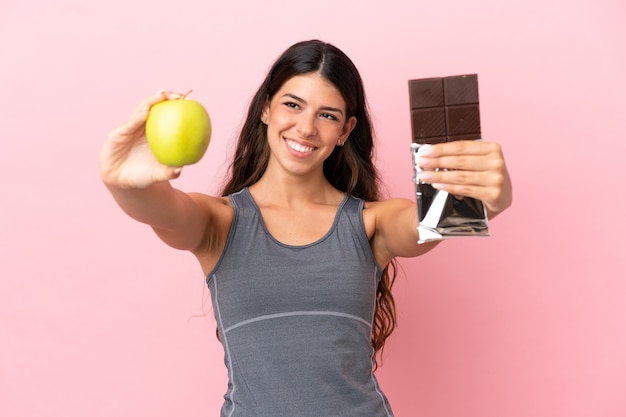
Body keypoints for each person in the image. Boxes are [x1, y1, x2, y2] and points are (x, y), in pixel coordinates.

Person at [99, 39, 512, 417]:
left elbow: (432, 222)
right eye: (292, 105)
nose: (306, 128)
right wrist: (122, 179)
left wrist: (482, 199)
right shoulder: (220, 222)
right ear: (266, 108)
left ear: (345, 130)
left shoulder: (370, 222)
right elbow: (161, 209)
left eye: (327, 115)